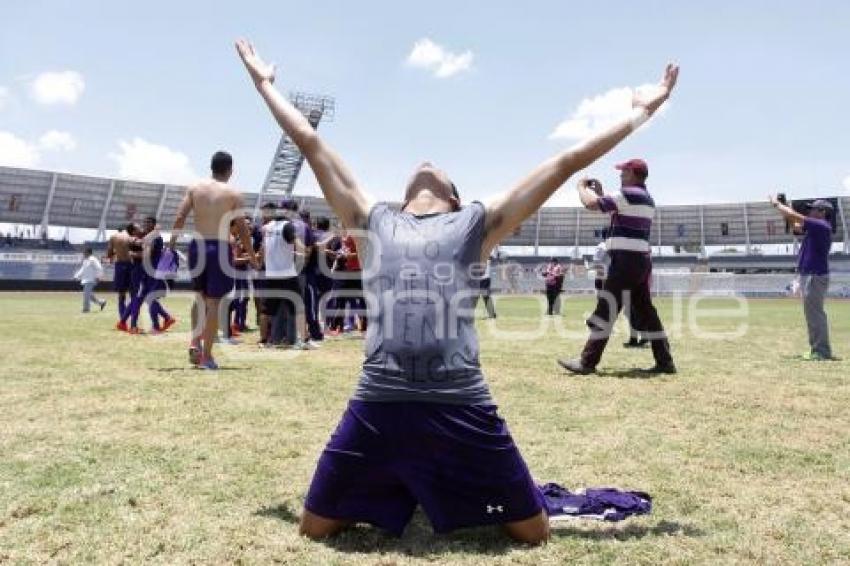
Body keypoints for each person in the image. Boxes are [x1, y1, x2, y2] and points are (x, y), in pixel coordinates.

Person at [237, 38, 677, 543]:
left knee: (533, 531)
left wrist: (641, 112)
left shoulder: (476, 225)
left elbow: (565, 163)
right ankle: (412, 480)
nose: (427, 161)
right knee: (314, 528)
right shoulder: (371, 218)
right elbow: (311, 145)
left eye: (439, 170)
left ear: (453, 196)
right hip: (379, 398)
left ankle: (422, 479)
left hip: (461, 399)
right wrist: (264, 85)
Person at [559, 160, 676, 375]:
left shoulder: (629, 194)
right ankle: (665, 361)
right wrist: (603, 194)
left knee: (607, 307)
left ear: (632, 172)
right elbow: (616, 211)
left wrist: (581, 187)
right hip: (639, 261)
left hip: (625, 261)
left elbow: (591, 205)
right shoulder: (644, 197)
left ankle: (587, 362)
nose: (620, 175)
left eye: (623, 171)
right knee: (648, 313)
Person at [170, 151, 257, 370]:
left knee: (198, 297)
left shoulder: (194, 188)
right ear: (230, 169)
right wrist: (253, 255)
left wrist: (171, 243)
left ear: (211, 167)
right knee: (214, 303)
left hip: (197, 246)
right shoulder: (233, 193)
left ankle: (194, 342)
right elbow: (244, 229)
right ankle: (206, 357)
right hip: (219, 247)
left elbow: (179, 217)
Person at [769, 196, 834, 360]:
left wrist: (778, 205)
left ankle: (822, 351)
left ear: (823, 212)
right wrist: (786, 213)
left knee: (815, 314)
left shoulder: (821, 225)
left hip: (815, 275)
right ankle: (816, 349)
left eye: (813, 209)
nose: (810, 211)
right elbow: (796, 226)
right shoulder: (816, 228)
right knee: (812, 313)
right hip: (811, 275)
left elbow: (797, 217)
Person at [138, 216, 176, 335]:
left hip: (154, 272)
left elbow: (149, 253)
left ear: (154, 225)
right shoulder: (150, 237)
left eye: (148, 222)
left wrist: (133, 254)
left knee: (151, 298)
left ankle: (159, 323)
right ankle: (164, 319)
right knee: (148, 299)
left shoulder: (155, 237)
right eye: (144, 222)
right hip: (149, 272)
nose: (145, 224)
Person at [106, 224, 134, 323]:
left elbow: (109, 254)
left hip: (120, 265)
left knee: (121, 295)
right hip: (131, 265)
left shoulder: (114, 237)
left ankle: (123, 319)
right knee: (134, 294)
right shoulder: (131, 237)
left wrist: (116, 252)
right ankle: (131, 319)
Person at [74, 247, 107, 313]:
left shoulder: (93, 260)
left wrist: (98, 277)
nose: (83, 253)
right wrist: (76, 276)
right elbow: (82, 269)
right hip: (86, 280)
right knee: (89, 295)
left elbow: (99, 268)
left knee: (86, 294)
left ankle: (86, 309)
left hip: (91, 280)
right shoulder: (85, 260)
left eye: (84, 252)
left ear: (88, 252)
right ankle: (101, 302)